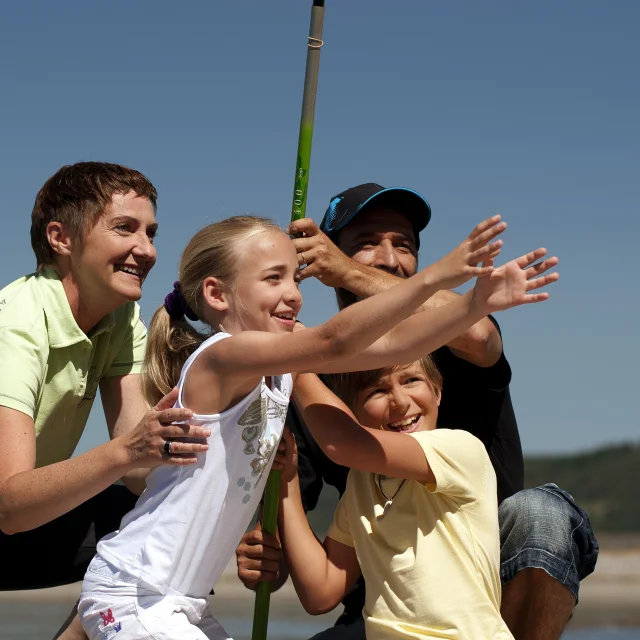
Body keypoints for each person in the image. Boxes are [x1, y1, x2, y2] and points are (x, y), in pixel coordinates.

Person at [77, 213, 553, 640]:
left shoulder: (277, 374)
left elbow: (391, 345)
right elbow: (334, 340)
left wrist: (471, 306)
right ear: (217, 295)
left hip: (182, 603)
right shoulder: (221, 356)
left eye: (294, 278)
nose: (294, 294)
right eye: (273, 278)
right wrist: (435, 276)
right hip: (138, 591)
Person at [235, 183, 598, 640]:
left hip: (486, 571)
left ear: (437, 388)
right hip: (379, 598)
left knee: (540, 514)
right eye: (367, 242)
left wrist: (344, 279)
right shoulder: (314, 399)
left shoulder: (451, 333)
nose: (389, 258)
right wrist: (265, 553)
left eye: (403, 245)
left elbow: (480, 332)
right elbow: (305, 559)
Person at [0, 162, 210, 640]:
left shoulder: (118, 320)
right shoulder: (15, 329)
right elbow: (10, 505)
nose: (147, 249)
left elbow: (139, 475)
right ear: (61, 238)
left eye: (151, 232)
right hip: (10, 513)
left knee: (161, 522)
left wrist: (195, 443)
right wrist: (128, 451)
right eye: (124, 228)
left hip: (18, 524)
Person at [278, 356, 514, 639]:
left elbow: (340, 442)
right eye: (377, 391)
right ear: (351, 411)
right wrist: (287, 480)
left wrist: (296, 363)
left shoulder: (460, 449)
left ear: (437, 391)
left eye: (411, 380)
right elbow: (320, 590)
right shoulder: (360, 483)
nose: (400, 402)